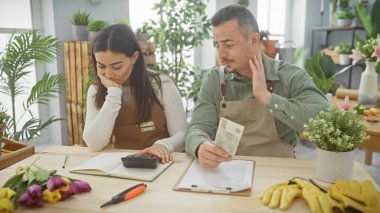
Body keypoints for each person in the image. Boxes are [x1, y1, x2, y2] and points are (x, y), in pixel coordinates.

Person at [185, 5, 329, 168]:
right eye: (217, 45)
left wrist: (267, 97)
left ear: (254, 40)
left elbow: (324, 118)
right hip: (227, 172)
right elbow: (198, 126)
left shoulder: (291, 76)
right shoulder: (215, 80)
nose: (221, 54)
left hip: (279, 173)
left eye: (229, 44)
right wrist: (199, 146)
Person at [83, 24, 187, 163]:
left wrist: (163, 145)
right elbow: (94, 144)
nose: (108, 74)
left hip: (163, 163)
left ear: (134, 57)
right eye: (101, 66)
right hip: (124, 165)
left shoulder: (161, 84)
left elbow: (182, 134)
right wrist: (113, 94)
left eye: (117, 67)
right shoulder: (96, 90)